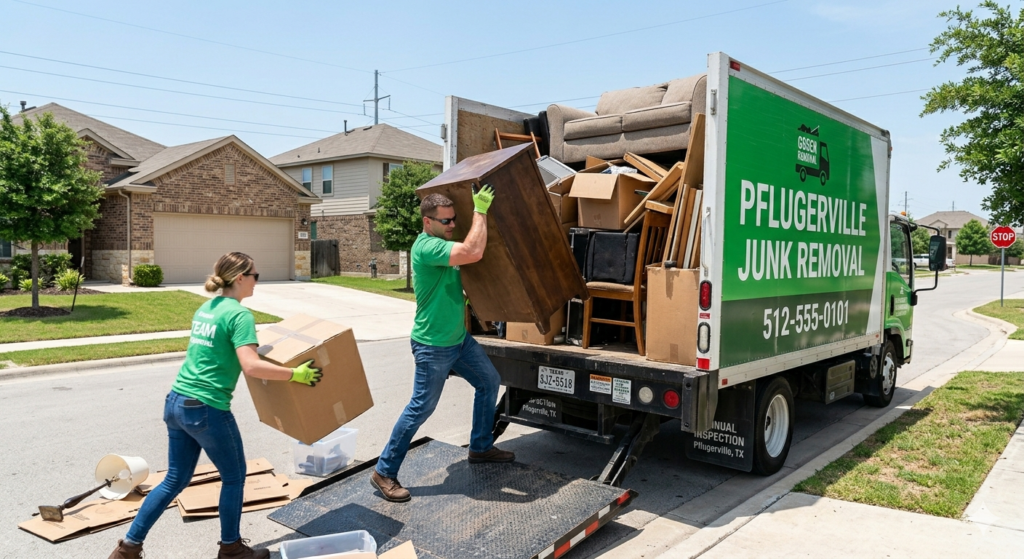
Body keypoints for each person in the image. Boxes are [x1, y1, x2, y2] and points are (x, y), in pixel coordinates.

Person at [108, 252, 323, 559]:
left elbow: (217, 353)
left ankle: (128, 548)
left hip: (177, 402)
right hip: (206, 408)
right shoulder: (239, 315)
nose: (257, 282)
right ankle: (231, 549)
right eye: (255, 276)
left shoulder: (207, 309)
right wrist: (295, 374)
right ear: (240, 278)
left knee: (174, 480)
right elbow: (250, 366)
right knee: (234, 477)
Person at [371, 186, 514, 502]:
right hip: (433, 345)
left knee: (489, 381)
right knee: (421, 407)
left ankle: (479, 447)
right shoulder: (426, 247)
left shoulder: (444, 242)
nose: (452, 225)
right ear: (427, 222)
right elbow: (473, 252)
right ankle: (384, 471)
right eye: (446, 221)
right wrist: (480, 210)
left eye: (454, 219)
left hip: (458, 340)